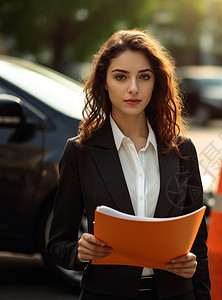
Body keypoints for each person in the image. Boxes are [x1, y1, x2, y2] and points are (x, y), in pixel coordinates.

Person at [47, 29, 211, 300]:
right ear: (104, 82)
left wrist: (193, 268)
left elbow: (199, 245)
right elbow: (57, 244)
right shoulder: (80, 151)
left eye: (144, 77)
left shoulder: (182, 149)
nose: (133, 87)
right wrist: (79, 252)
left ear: (155, 82)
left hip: (175, 295)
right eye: (121, 76)